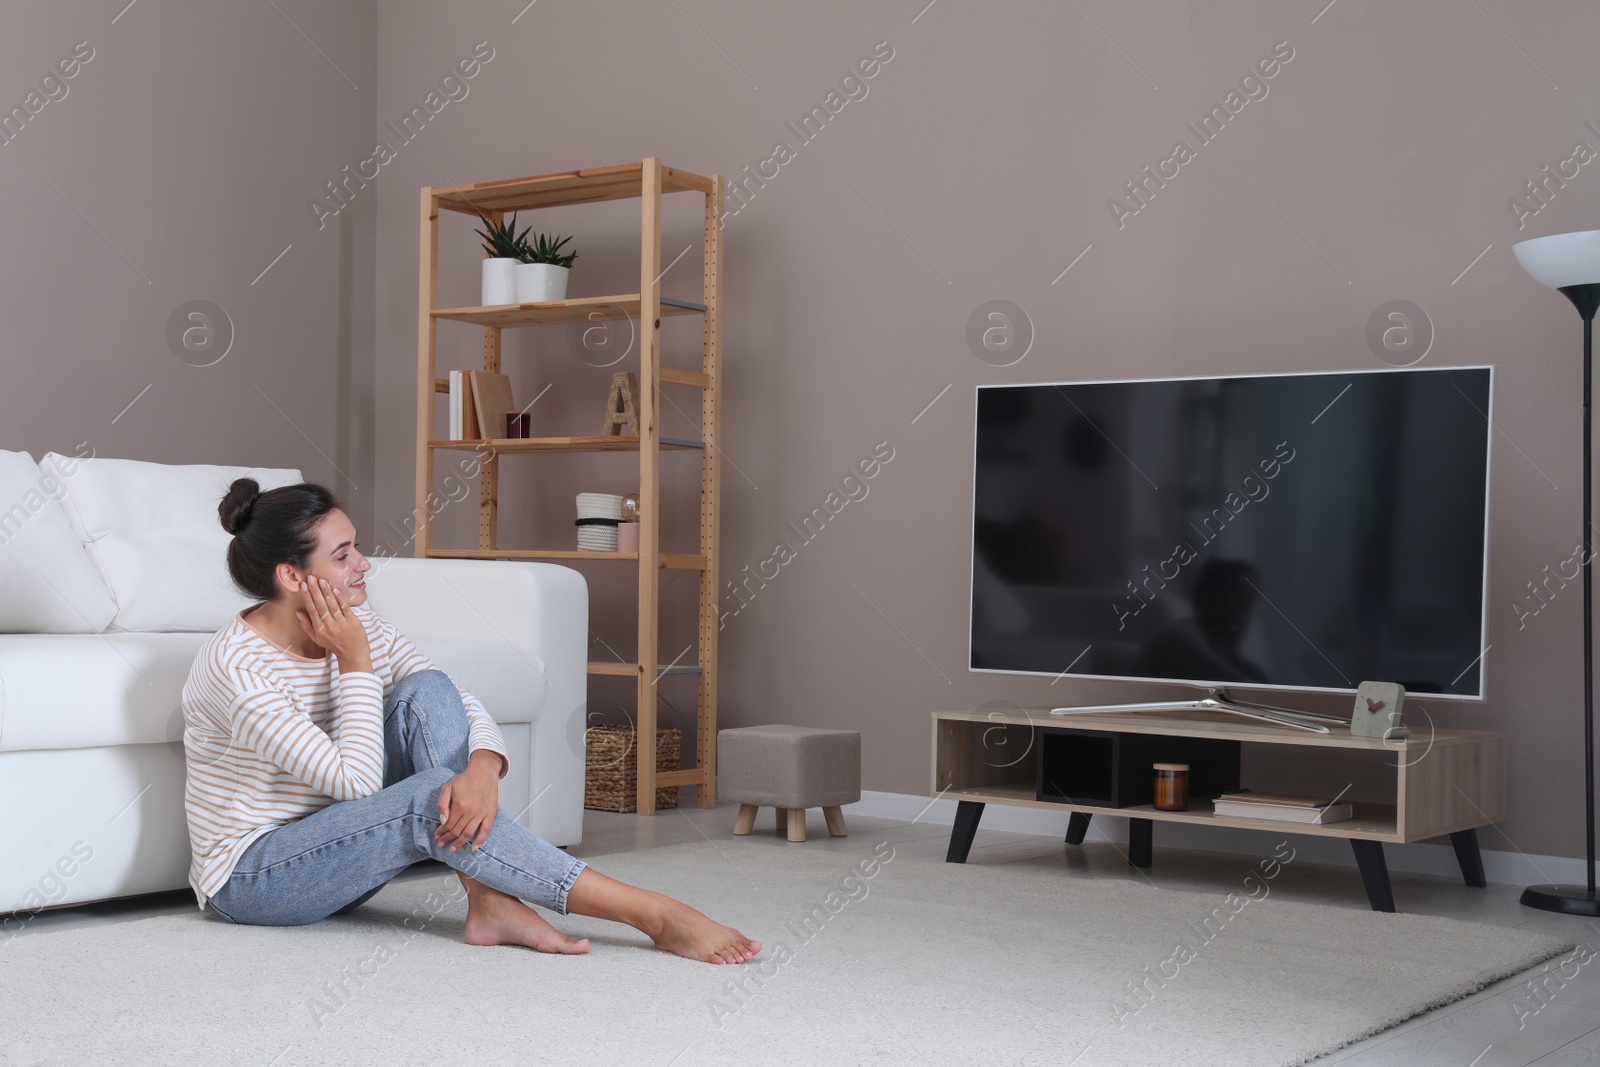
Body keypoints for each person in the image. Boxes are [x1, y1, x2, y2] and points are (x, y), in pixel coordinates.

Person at [181, 478, 760, 964]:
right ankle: (655, 914)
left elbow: (453, 697)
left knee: (423, 691)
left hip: (343, 845)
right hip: (257, 879)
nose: (365, 566)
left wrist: (485, 765)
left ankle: (488, 901)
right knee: (424, 797)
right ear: (291, 577)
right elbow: (356, 784)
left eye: (356, 548)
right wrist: (353, 661)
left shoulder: (359, 623)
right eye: (343, 556)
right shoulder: (237, 668)